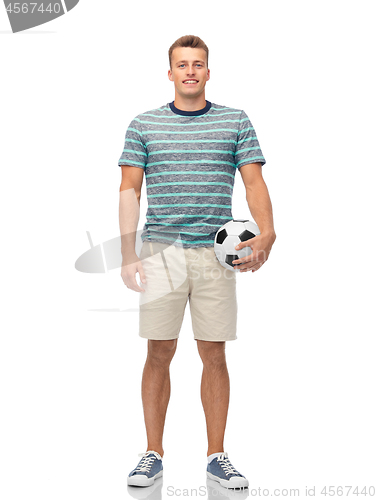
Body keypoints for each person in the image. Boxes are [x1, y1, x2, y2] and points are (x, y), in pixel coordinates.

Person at [118, 35, 276, 489]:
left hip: (216, 254)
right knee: (158, 352)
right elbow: (130, 189)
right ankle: (152, 453)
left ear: (209, 72)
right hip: (162, 250)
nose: (190, 71)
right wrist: (128, 253)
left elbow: (254, 183)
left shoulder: (235, 121)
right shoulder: (143, 124)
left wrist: (267, 233)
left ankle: (216, 455)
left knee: (214, 352)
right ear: (169, 73)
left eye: (198, 64)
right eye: (182, 64)